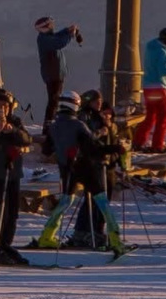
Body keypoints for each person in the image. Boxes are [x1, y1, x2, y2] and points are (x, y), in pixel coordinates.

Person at [34, 91, 129, 254]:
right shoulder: (78, 125)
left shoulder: (54, 126)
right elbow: (92, 147)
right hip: (86, 168)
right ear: (75, 105)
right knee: (102, 202)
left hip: (66, 169)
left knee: (65, 201)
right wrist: (115, 148)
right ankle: (115, 240)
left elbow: (47, 150)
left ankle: (46, 236)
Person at [0, 88, 32, 265]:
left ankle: (5, 244)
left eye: (6, 106)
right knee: (0, 210)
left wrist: (13, 131)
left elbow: (27, 139)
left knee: (13, 212)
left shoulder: (15, 121)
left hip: (13, 171)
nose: (2, 109)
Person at [69, 90, 126, 247]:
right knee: (95, 200)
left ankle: (96, 231)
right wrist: (103, 134)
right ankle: (85, 231)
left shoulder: (104, 122)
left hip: (106, 165)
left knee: (102, 201)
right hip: (93, 164)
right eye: (96, 101)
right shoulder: (87, 118)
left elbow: (110, 141)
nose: (99, 105)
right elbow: (91, 142)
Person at [132, 28, 166, 153]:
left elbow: (155, 63)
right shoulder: (162, 53)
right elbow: (163, 72)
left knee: (151, 116)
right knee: (163, 117)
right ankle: (157, 145)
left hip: (148, 88)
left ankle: (138, 142)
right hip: (158, 88)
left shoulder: (150, 47)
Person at [35, 16, 79, 133]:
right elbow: (59, 42)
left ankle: (51, 126)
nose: (52, 26)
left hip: (55, 74)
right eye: (50, 24)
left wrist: (67, 30)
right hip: (53, 75)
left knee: (54, 101)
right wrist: (70, 35)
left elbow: (57, 36)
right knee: (53, 102)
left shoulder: (46, 37)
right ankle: (48, 127)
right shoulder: (44, 40)